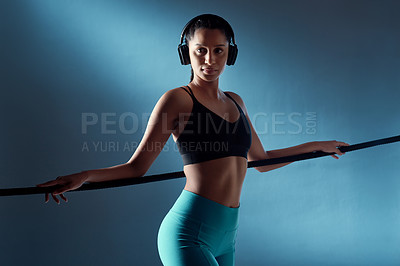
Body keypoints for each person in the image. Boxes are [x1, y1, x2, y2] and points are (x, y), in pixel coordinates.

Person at [37, 14, 349, 266]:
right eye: (200, 50)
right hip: (189, 233)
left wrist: (315, 146)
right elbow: (136, 168)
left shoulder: (237, 101)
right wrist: (83, 177)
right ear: (186, 52)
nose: (209, 60)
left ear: (231, 53)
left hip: (228, 236)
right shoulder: (177, 100)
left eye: (219, 51)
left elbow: (261, 161)